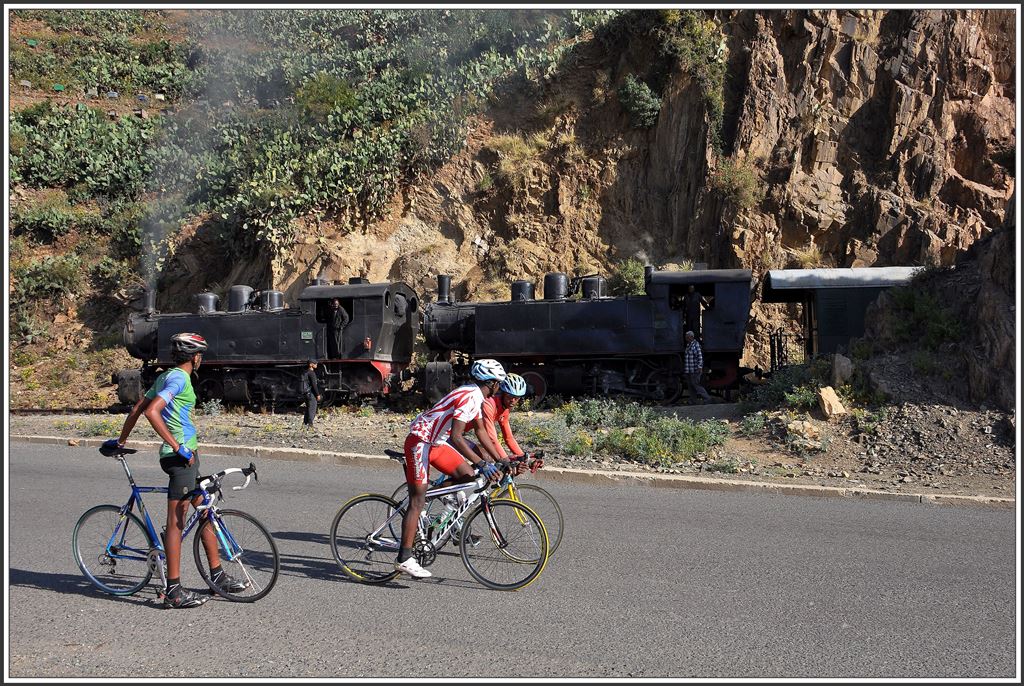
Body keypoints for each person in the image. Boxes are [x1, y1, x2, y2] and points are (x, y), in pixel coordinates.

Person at [101, 332, 246, 609]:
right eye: (200, 354)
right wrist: (178, 446)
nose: (200, 358)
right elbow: (152, 411)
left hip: (189, 457)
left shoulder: (165, 376)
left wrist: (121, 441)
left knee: (204, 511)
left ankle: (217, 577)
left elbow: (136, 409)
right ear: (195, 357)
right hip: (179, 458)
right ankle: (173, 591)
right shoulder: (179, 378)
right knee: (177, 521)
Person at [396, 358, 508, 579]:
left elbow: (480, 432)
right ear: (492, 383)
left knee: (468, 476)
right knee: (416, 501)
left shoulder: (474, 395)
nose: (498, 389)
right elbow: (457, 438)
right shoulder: (470, 396)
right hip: (420, 442)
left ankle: (430, 496)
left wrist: (501, 459)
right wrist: (483, 463)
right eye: (498, 384)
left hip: (435, 443)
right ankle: (404, 558)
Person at [684, 330, 712, 405]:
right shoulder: (688, 345)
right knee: (690, 386)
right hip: (689, 370)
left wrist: (699, 367)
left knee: (696, 384)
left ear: (692, 337)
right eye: (686, 337)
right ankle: (693, 401)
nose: (686, 338)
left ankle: (707, 398)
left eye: (687, 337)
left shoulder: (696, 345)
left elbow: (700, 357)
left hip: (695, 369)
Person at [302, 358, 322, 428]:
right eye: (315, 363)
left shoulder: (306, 372)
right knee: (312, 409)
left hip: (306, 393)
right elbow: (314, 385)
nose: (316, 364)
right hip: (311, 394)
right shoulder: (312, 373)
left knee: (308, 408)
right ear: (311, 365)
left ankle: (305, 423)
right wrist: (317, 394)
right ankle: (310, 425)